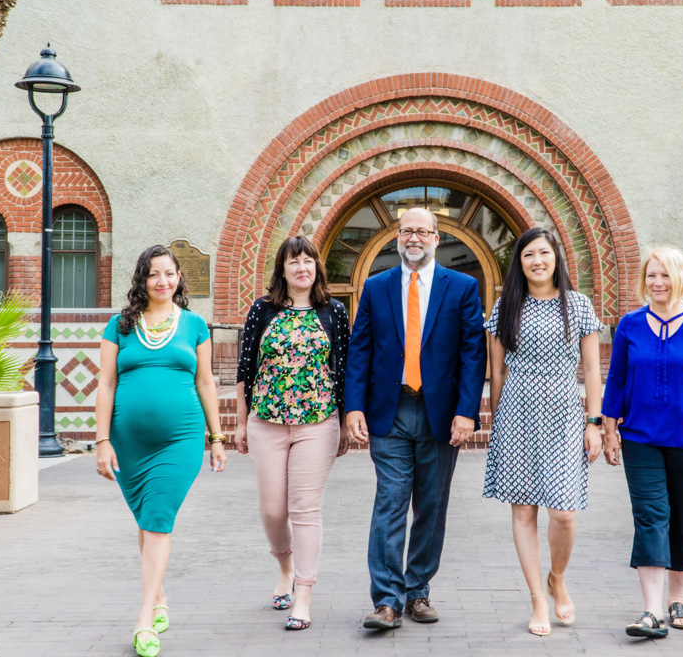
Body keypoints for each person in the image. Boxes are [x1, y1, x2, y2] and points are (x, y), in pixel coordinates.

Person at [345, 207, 487, 630]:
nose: (414, 238)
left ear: (436, 238)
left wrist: (466, 412)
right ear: (396, 237)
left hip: (440, 415)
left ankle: (418, 591)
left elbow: (472, 354)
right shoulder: (375, 286)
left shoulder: (462, 286)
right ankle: (387, 600)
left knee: (430, 505)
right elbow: (360, 350)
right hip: (389, 412)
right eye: (407, 231)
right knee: (390, 503)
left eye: (423, 231)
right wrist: (353, 405)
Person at [95, 245, 227, 657]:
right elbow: (106, 385)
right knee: (146, 517)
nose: (163, 281)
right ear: (142, 280)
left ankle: (145, 616)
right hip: (128, 443)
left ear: (179, 279)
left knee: (157, 519)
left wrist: (217, 437)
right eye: (154, 274)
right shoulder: (119, 326)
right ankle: (161, 595)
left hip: (180, 439)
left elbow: (206, 383)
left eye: (170, 274)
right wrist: (101, 441)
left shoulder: (194, 326)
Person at [601, 246, 683, 639]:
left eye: (664, 276)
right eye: (651, 276)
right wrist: (610, 428)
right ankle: (651, 611)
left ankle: (679, 599)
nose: (657, 283)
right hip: (641, 436)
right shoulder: (630, 324)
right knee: (649, 516)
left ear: (680, 278)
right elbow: (618, 379)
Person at [484, 227, 604, 636]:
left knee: (564, 514)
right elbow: (497, 369)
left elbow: (591, 370)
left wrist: (595, 423)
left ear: (556, 257)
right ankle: (538, 597)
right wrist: (498, 420)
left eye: (543, 253)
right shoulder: (506, 306)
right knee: (523, 510)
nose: (537, 261)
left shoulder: (578, 304)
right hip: (517, 414)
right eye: (528, 255)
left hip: (565, 416)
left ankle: (558, 577)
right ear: (519, 263)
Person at [232, 236, 350, 631]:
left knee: (305, 509)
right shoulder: (262, 311)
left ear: (318, 267)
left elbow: (344, 370)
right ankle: (284, 565)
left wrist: (346, 422)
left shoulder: (333, 311)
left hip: (318, 422)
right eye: (293, 261)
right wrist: (239, 422)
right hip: (265, 421)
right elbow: (244, 372)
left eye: (308, 261)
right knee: (272, 509)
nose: (302, 268)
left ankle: (303, 594)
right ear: (282, 269)